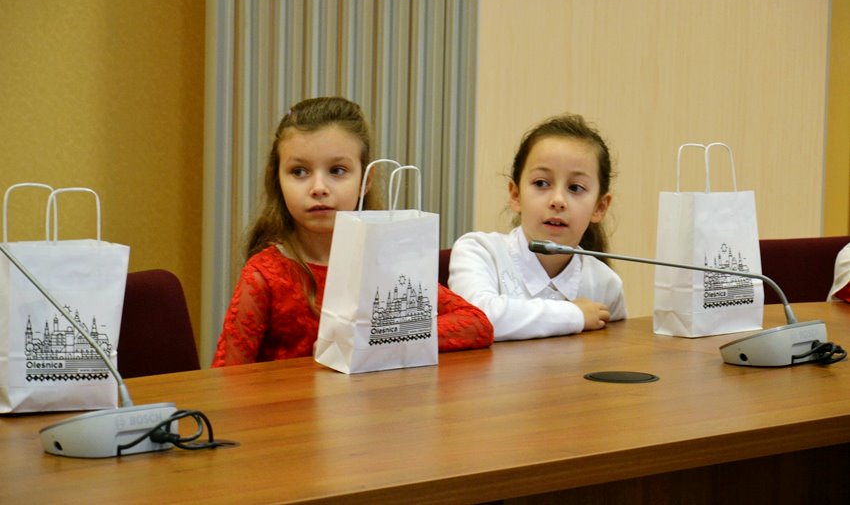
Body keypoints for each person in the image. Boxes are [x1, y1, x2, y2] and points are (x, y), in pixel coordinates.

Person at [212, 96, 493, 366]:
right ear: (277, 180)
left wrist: (371, 340)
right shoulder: (264, 275)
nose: (318, 188)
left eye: (337, 171)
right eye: (299, 172)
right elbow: (226, 379)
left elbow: (477, 324)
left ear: (365, 181)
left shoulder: (386, 262)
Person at [448, 113, 626, 341]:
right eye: (541, 183)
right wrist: (575, 314)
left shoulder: (606, 283)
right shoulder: (479, 250)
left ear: (599, 207)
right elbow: (477, 319)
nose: (558, 200)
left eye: (575, 188)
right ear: (516, 195)